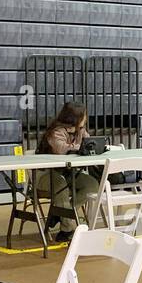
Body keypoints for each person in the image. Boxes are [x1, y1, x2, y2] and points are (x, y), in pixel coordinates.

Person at [37, 101, 97, 241]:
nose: (86, 118)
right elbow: (62, 149)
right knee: (60, 188)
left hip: (69, 172)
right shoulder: (55, 132)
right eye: (84, 115)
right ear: (75, 118)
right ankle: (66, 230)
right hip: (46, 174)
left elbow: (89, 144)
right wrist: (81, 147)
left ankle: (59, 213)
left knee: (92, 185)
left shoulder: (80, 130)